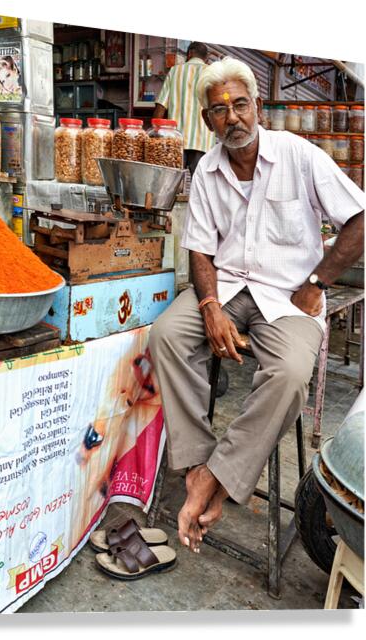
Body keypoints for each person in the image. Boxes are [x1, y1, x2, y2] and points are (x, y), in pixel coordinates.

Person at [147, 57, 365, 553]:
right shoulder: (206, 168)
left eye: (240, 105)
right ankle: (202, 464)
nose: (233, 118)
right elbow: (200, 248)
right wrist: (208, 305)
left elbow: (359, 219)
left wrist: (317, 280)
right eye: (220, 111)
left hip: (288, 297)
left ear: (258, 107)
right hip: (225, 288)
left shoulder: (298, 154)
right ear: (207, 121)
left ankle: (212, 482)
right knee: (166, 337)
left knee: (289, 375)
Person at [153, 42, 215, 175]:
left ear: (190, 53)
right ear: (206, 57)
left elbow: (161, 105)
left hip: (176, 140)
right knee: (200, 187)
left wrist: (153, 134)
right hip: (203, 141)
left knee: (171, 185)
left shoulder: (175, 71)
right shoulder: (211, 73)